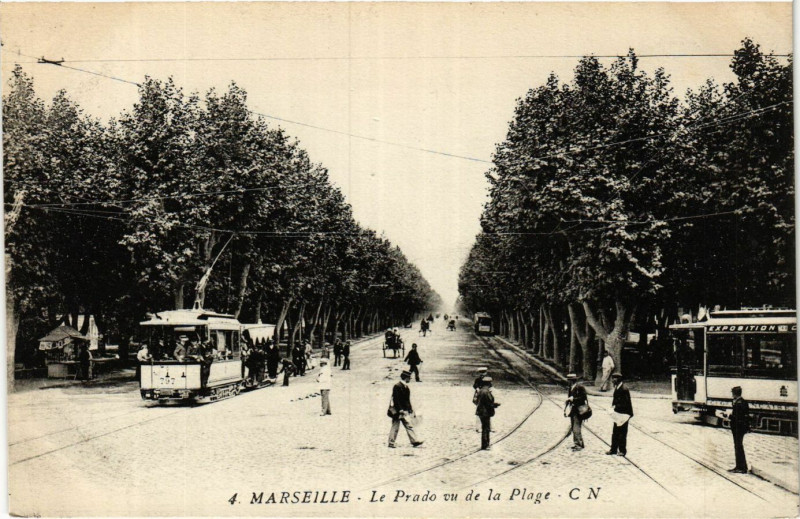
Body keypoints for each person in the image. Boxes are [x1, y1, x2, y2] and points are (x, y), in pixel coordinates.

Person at [388, 370, 423, 448]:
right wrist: (400, 409)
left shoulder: (406, 387)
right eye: (409, 378)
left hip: (404, 411)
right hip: (398, 411)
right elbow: (396, 399)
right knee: (395, 426)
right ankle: (391, 442)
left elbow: (407, 400)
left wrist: (410, 409)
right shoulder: (397, 386)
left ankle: (414, 441)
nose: (410, 379)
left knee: (408, 425)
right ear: (405, 378)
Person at [607, 373, 633, 457]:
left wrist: (615, 407)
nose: (612, 380)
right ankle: (613, 449)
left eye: (614, 378)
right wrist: (612, 407)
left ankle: (622, 450)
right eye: (612, 378)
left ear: (618, 379)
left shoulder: (624, 389)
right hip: (618, 414)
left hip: (624, 415)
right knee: (615, 432)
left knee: (622, 433)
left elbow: (625, 403)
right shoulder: (617, 387)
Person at [728, 386, 750, 473]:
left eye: (732, 393)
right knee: (738, 446)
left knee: (738, 446)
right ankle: (741, 466)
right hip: (741, 427)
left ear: (735, 394)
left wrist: (728, 416)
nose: (732, 395)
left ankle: (741, 467)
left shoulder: (738, 403)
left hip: (738, 428)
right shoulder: (743, 402)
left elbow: (737, 417)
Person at [474, 376, 499, 450]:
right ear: (488, 383)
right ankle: (485, 445)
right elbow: (488, 403)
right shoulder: (486, 392)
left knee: (485, 428)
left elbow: (477, 401)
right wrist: (495, 405)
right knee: (486, 429)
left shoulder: (481, 390)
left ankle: (485, 444)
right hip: (485, 412)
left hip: (481, 411)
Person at [565, 373, 587, 451]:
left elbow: (584, 398)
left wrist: (573, 399)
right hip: (573, 410)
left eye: (569, 380)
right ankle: (579, 443)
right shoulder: (571, 388)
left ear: (572, 381)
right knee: (574, 427)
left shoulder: (579, 387)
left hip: (579, 410)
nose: (568, 382)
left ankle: (578, 445)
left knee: (576, 427)